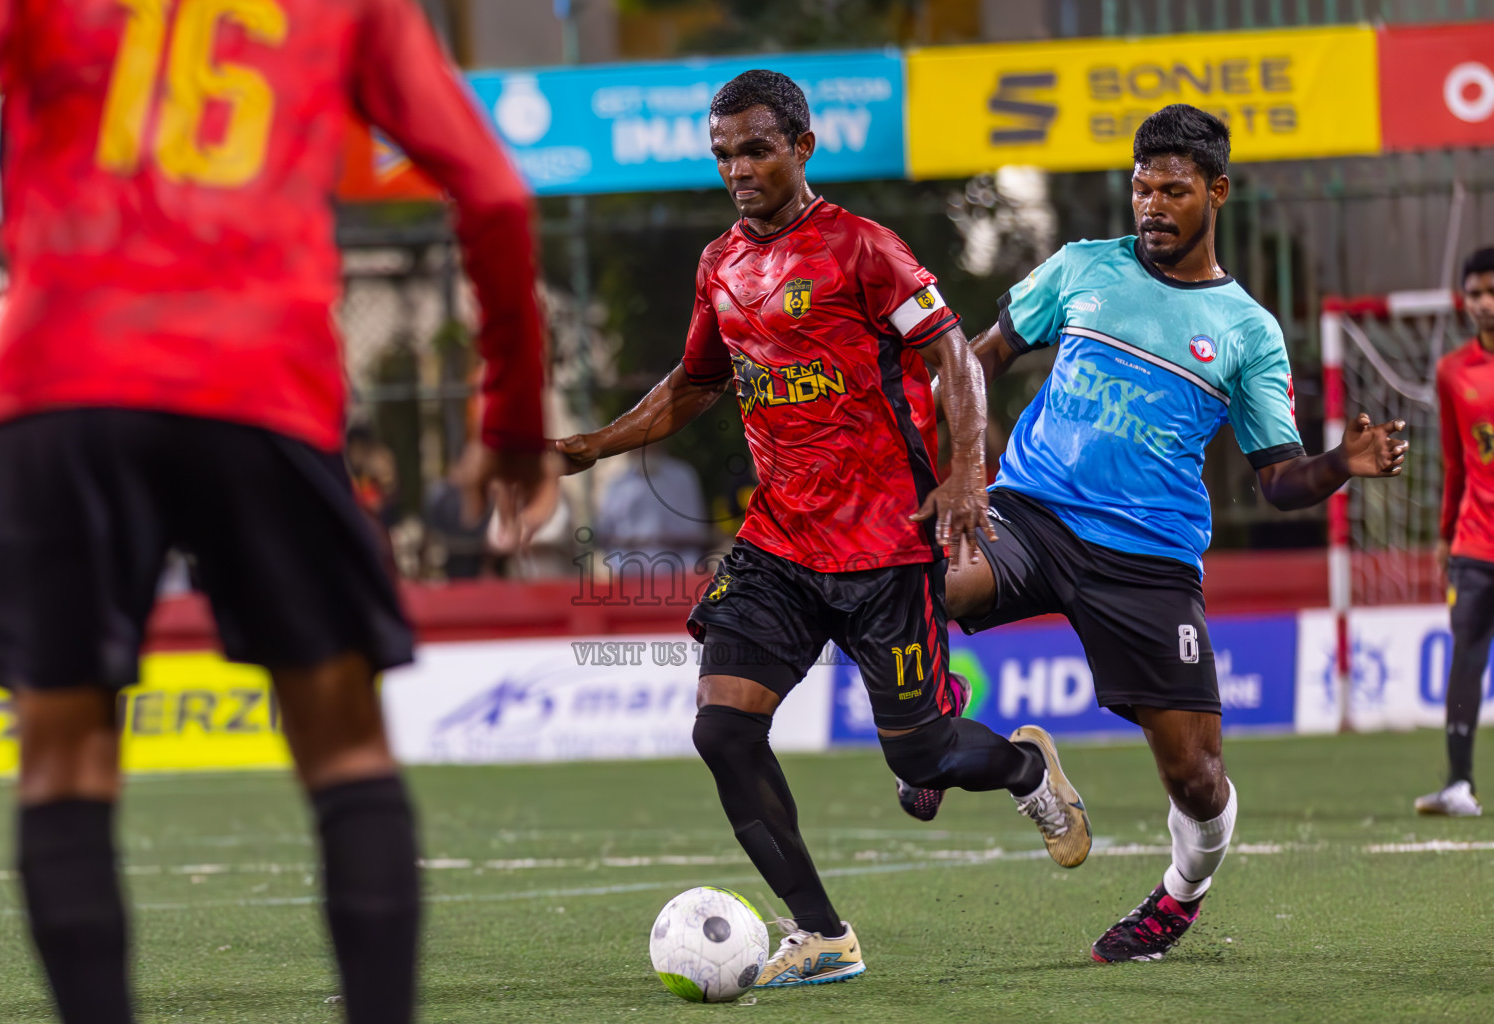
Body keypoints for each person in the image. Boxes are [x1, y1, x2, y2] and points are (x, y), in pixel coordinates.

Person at [0, 3, 546, 1022]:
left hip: (63, 380)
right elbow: (493, 192)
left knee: (63, 753)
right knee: (344, 744)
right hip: (260, 378)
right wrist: (516, 418)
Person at [556, 69, 1090, 988]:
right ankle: (822, 934)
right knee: (722, 732)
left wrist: (967, 470)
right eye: (724, 153)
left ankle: (1020, 768)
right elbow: (694, 383)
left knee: (921, 753)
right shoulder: (720, 265)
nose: (738, 168)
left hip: (885, 543)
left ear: (801, 148)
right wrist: (593, 444)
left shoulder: (863, 250)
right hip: (779, 544)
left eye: (756, 148)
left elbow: (953, 354)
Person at [933, 104, 1407, 963]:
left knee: (1196, 778)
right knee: (914, 582)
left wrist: (1341, 463)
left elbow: (1279, 477)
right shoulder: (1083, 268)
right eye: (1142, 187)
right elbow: (979, 354)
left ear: (1216, 193)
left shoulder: (1247, 331)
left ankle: (1178, 898)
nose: (1152, 205)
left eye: (1174, 190)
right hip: (1031, 513)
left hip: (1146, 563)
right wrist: (967, 463)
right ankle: (937, 730)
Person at [1417, 247, 1494, 817]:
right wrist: (1444, 535)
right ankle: (1459, 783)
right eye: (1476, 294)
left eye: (1493, 291)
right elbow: (1453, 463)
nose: (1485, 304)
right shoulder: (1451, 372)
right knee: (1465, 657)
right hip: (1474, 545)